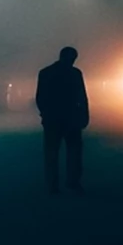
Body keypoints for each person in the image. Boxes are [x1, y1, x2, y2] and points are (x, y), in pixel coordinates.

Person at [35, 46, 90, 195]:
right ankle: (73, 181)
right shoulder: (75, 73)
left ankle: (52, 185)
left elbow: (40, 97)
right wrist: (84, 116)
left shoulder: (45, 73)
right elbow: (82, 97)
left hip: (52, 119)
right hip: (72, 118)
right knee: (74, 151)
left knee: (51, 153)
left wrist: (45, 114)